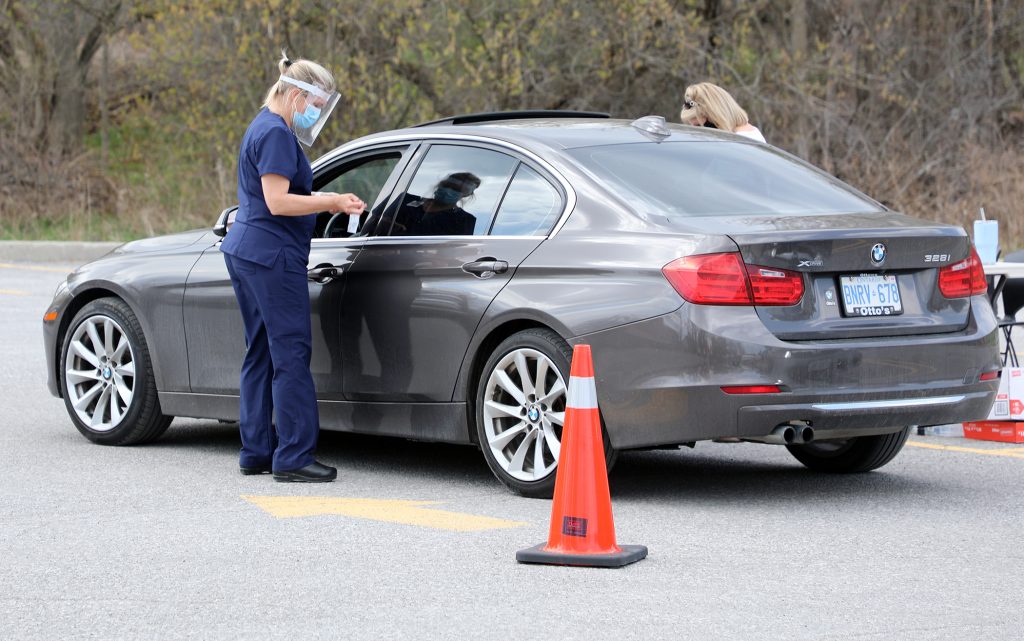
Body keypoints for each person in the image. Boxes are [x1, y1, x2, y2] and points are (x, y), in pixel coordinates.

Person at [220, 52, 365, 482]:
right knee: (291, 352)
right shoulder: (277, 134)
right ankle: (294, 456)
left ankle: (256, 451)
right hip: (271, 256)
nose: (316, 116)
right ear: (299, 95)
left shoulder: (262, 125)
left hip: (247, 250)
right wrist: (334, 201)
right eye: (317, 107)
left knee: (261, 350)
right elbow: (278, 201)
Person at [391, 172, 481, 236]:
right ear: (440, 184)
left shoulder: (464, 221)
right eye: (446, 185)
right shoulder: (404, 199)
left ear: (466, 194)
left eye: (456, 189)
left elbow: (455, 252)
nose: (448, 190)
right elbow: (377, 218)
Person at [679, 82, 766, 143]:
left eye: (698, 126)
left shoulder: (741, 142)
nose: (697, 133)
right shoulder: (740, 138)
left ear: (715, 116)